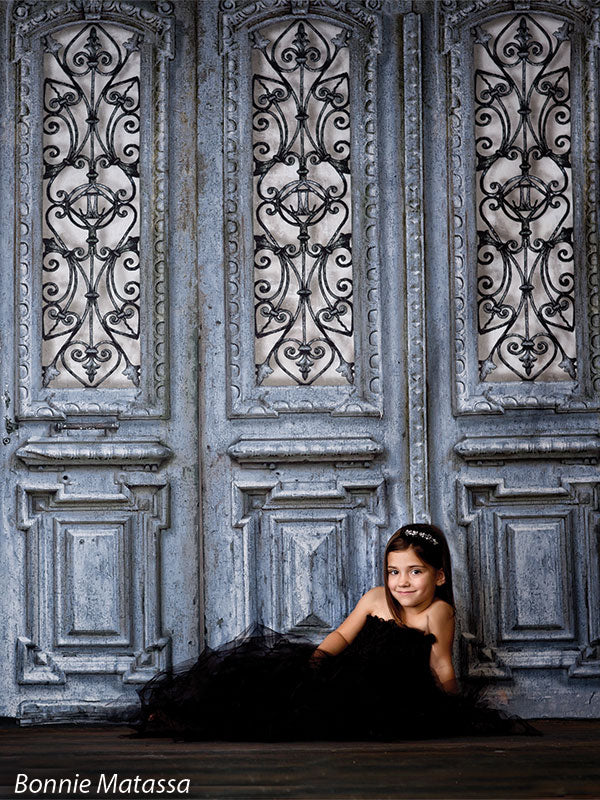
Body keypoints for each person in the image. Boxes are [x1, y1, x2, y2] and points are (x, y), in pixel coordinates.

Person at [135, 524, 535, 740]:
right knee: (265, 688)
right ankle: (181, 715)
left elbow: (442, 662)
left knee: (303, 721)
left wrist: (455, 709)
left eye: (416, 572)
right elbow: (343, 636)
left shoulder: (438, 611)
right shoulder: (375, 598)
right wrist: (316, 659)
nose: (404, 582)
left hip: (389, 695)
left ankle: (198, 725)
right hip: (343, 674)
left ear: (440, 575)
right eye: (395, 571)